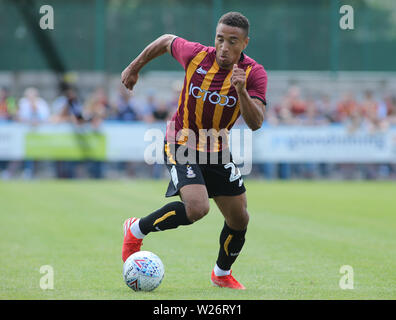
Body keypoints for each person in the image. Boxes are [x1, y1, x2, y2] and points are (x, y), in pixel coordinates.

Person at [121, 12, 267, 289]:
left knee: (239, 218)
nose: (224, 47)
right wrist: (134, 66)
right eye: (220, 39)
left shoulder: (253, 74)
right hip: (181, 142)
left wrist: (241, 91)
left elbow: (256, 122)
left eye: (233, 41)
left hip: (217, 149)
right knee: (198, 208)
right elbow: (166, 41)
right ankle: (136, 229)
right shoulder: (197, 55)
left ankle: (221, 275)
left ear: (245, 43)